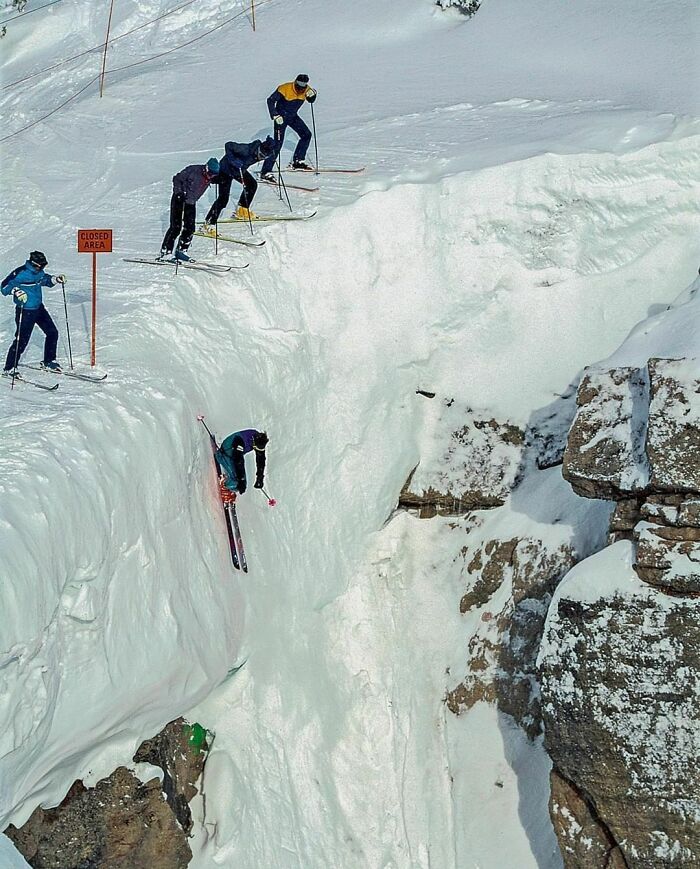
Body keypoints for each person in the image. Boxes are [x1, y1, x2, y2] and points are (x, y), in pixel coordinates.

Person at [2, 251, 66, 376]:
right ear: (33, 263)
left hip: (38, 308)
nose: (42, 268)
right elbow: (4, 287)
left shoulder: (39, 272)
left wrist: (55, 279)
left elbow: (45, 280)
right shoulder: (20, 273)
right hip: (25, 310)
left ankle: (49, 360)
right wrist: (16, 291)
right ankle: (9, 368)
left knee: (52, 332)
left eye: (44, 266)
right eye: (41, 266)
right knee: (22, 339)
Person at [202, 137, 275, 228]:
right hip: (225, 171)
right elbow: (228, 145)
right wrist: (233, 160)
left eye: (264, 157)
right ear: (258, 149)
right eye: (261, 155)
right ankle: (208, 224)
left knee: (252, 185)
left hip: (239, 171)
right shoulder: (246, 149)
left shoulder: (261, 153)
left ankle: (242, 211)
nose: (261, 158)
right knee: (223, 199)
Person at [260, 74, 317, 182]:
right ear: (295, 82)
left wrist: (313, 95)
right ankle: (265, 171)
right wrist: (275, 114)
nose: (301, 88)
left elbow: (311, 100)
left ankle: (298, 161)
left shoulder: (306, 89)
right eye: (299, 85)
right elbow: (270, 100)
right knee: (277, 144)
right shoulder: (285, 88)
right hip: (280, 118)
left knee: (306, 135)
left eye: (304, 85)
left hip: (292, 116)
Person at [160, 158, 220, 261]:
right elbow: (177, 178)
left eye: (214, 175)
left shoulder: (210, 177)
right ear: (206, 168)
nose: (211, 176)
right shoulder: (193, 170)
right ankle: (166, 252)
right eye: (211, 173)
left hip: (191, 202)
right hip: (179, 198)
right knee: (176, 227)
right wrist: (179, 192)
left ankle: (181, 251)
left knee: (190, 228)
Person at [217, 429, 269, 498]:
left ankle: (230, 487)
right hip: (225, 455)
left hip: (234, 456)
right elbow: (238, 461)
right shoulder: (240, 441)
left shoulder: (258, 439)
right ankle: (224, 489)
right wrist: (241, 480)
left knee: (242, 482)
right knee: (237, 482)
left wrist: (260, 477)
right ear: (254, 443)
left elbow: (261, 459)